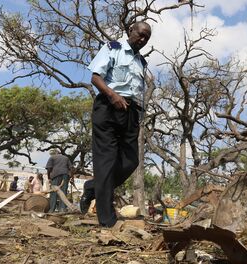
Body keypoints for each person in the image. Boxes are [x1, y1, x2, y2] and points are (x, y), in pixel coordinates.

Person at [83, 21, 151, 227]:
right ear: (131, 31)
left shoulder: (142, 61)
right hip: (109, 106)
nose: (143, 39)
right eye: (140, 34)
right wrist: (112, 95)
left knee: (131, 161)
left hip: (130, 111)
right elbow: (95, 77)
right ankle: (107, 220)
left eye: (147, 38)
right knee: (106, 161)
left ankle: (93, 187)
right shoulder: (113, 48)